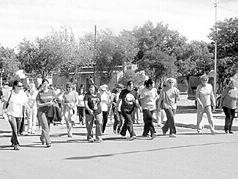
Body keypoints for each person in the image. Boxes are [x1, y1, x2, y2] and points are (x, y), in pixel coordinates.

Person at [3, 80, 28, 150]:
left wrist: (25, 113)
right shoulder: (10, 93)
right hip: (11, 113)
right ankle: (16, 144)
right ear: (15, 86)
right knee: (14, 128)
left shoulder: (23, 94)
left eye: (21, 86)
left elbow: (24, 104)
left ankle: (12, 140)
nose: (21, 87)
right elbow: (5, 103)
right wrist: (4, 112)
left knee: (17, 130)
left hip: (19, 114)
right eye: (19, 86)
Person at [36, 79, 56, 147]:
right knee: (45, 126)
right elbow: (38, 104)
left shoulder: (52, 92)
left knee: (47, 127)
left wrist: (52, 103)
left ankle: (42, 137)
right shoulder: (40, 93)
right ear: (42, 85)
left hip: (50, 111)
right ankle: (48, 142)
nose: (45, 85)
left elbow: (55, 100)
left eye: (46, 83)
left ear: (48, 84)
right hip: (41, 112)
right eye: (44, 84)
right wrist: (46, 103)